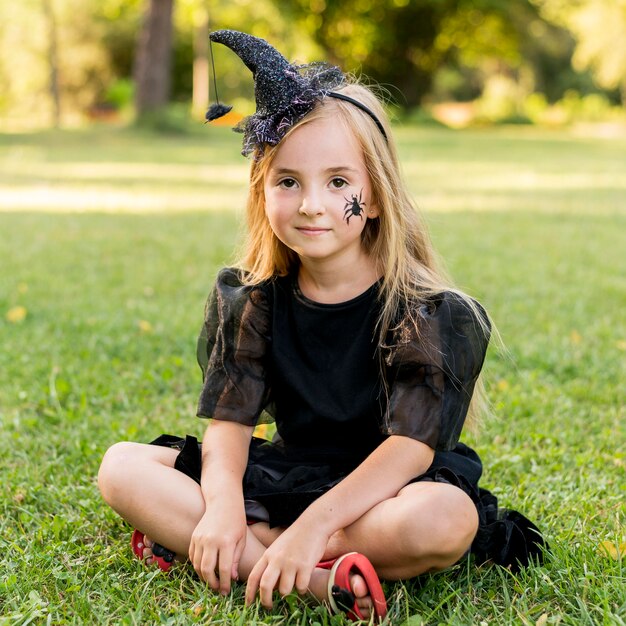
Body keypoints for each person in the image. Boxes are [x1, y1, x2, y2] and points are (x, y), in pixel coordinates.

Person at [98, 30, 545, 622]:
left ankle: (255, 553)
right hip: (291, 471)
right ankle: (310, 578)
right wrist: (225, 504)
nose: (311, 204)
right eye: (288, 181)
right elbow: (230, 421)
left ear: (377, 197)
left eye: (339, 183)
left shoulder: (426, 311)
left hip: (379, 495)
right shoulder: (253, 298)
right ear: (262, 192)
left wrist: (311, 526)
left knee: (445, 519)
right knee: (121, 467)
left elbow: (409, 451)